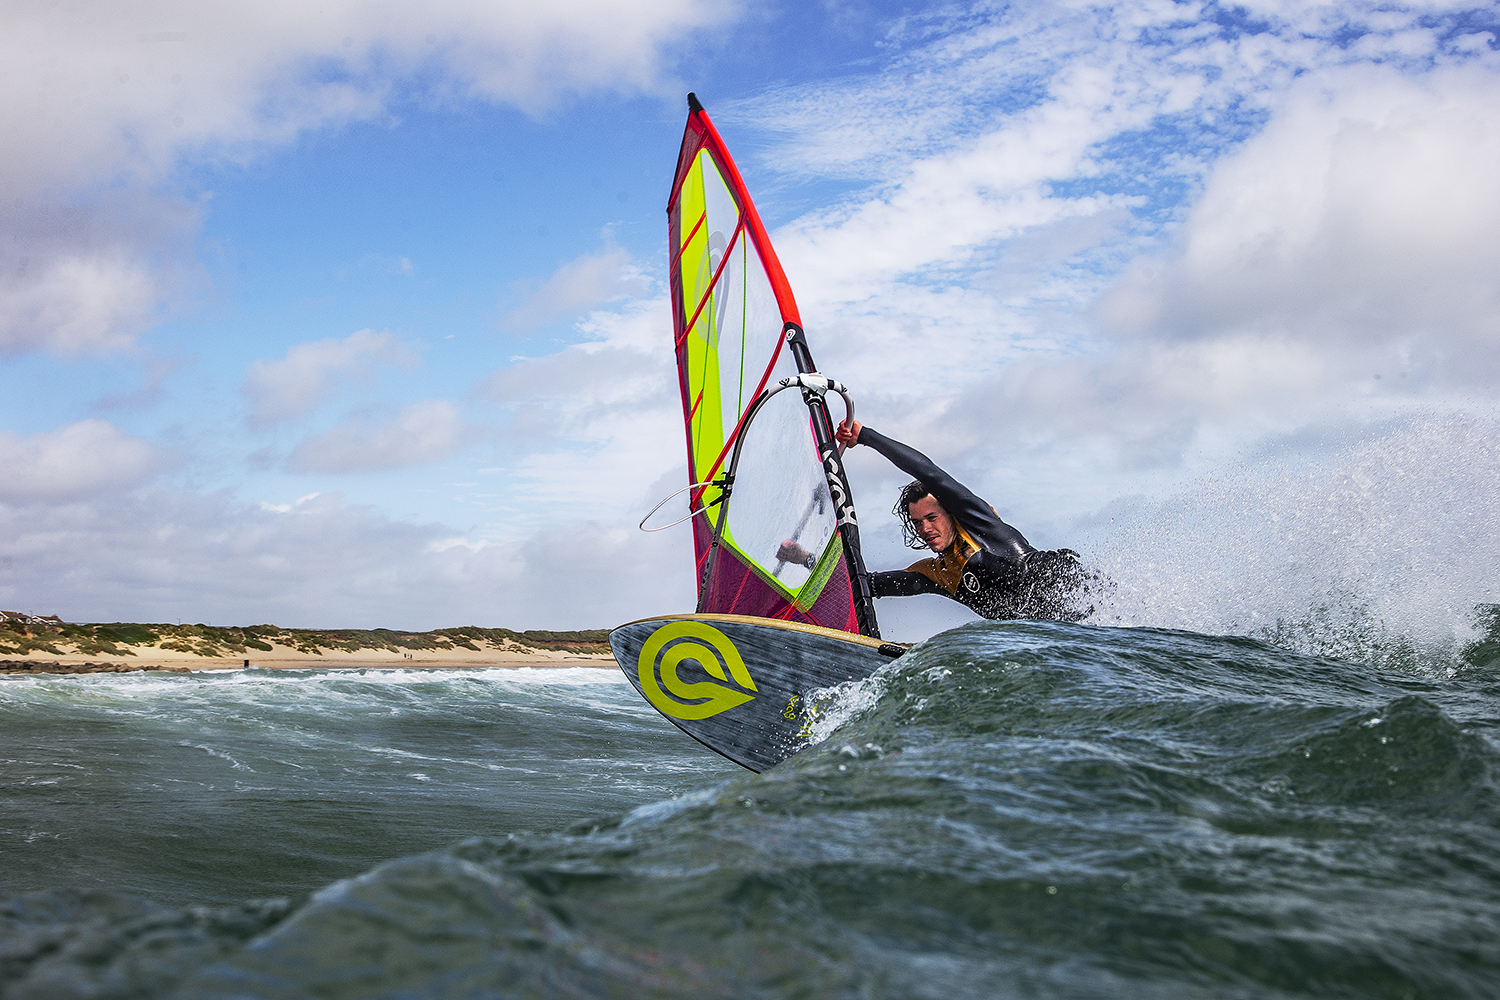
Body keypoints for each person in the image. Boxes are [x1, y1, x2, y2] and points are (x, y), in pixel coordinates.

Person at [778, 419, 1093, 621]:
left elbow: (928, 473)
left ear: (951, 514)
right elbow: (865, 583)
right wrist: (805, 558)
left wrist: (867, 437)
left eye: (932, 518)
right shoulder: (938, 574)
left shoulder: (978, 523)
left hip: (1064, 586)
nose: (925, 528)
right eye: (917, 523)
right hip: (1047, 633)